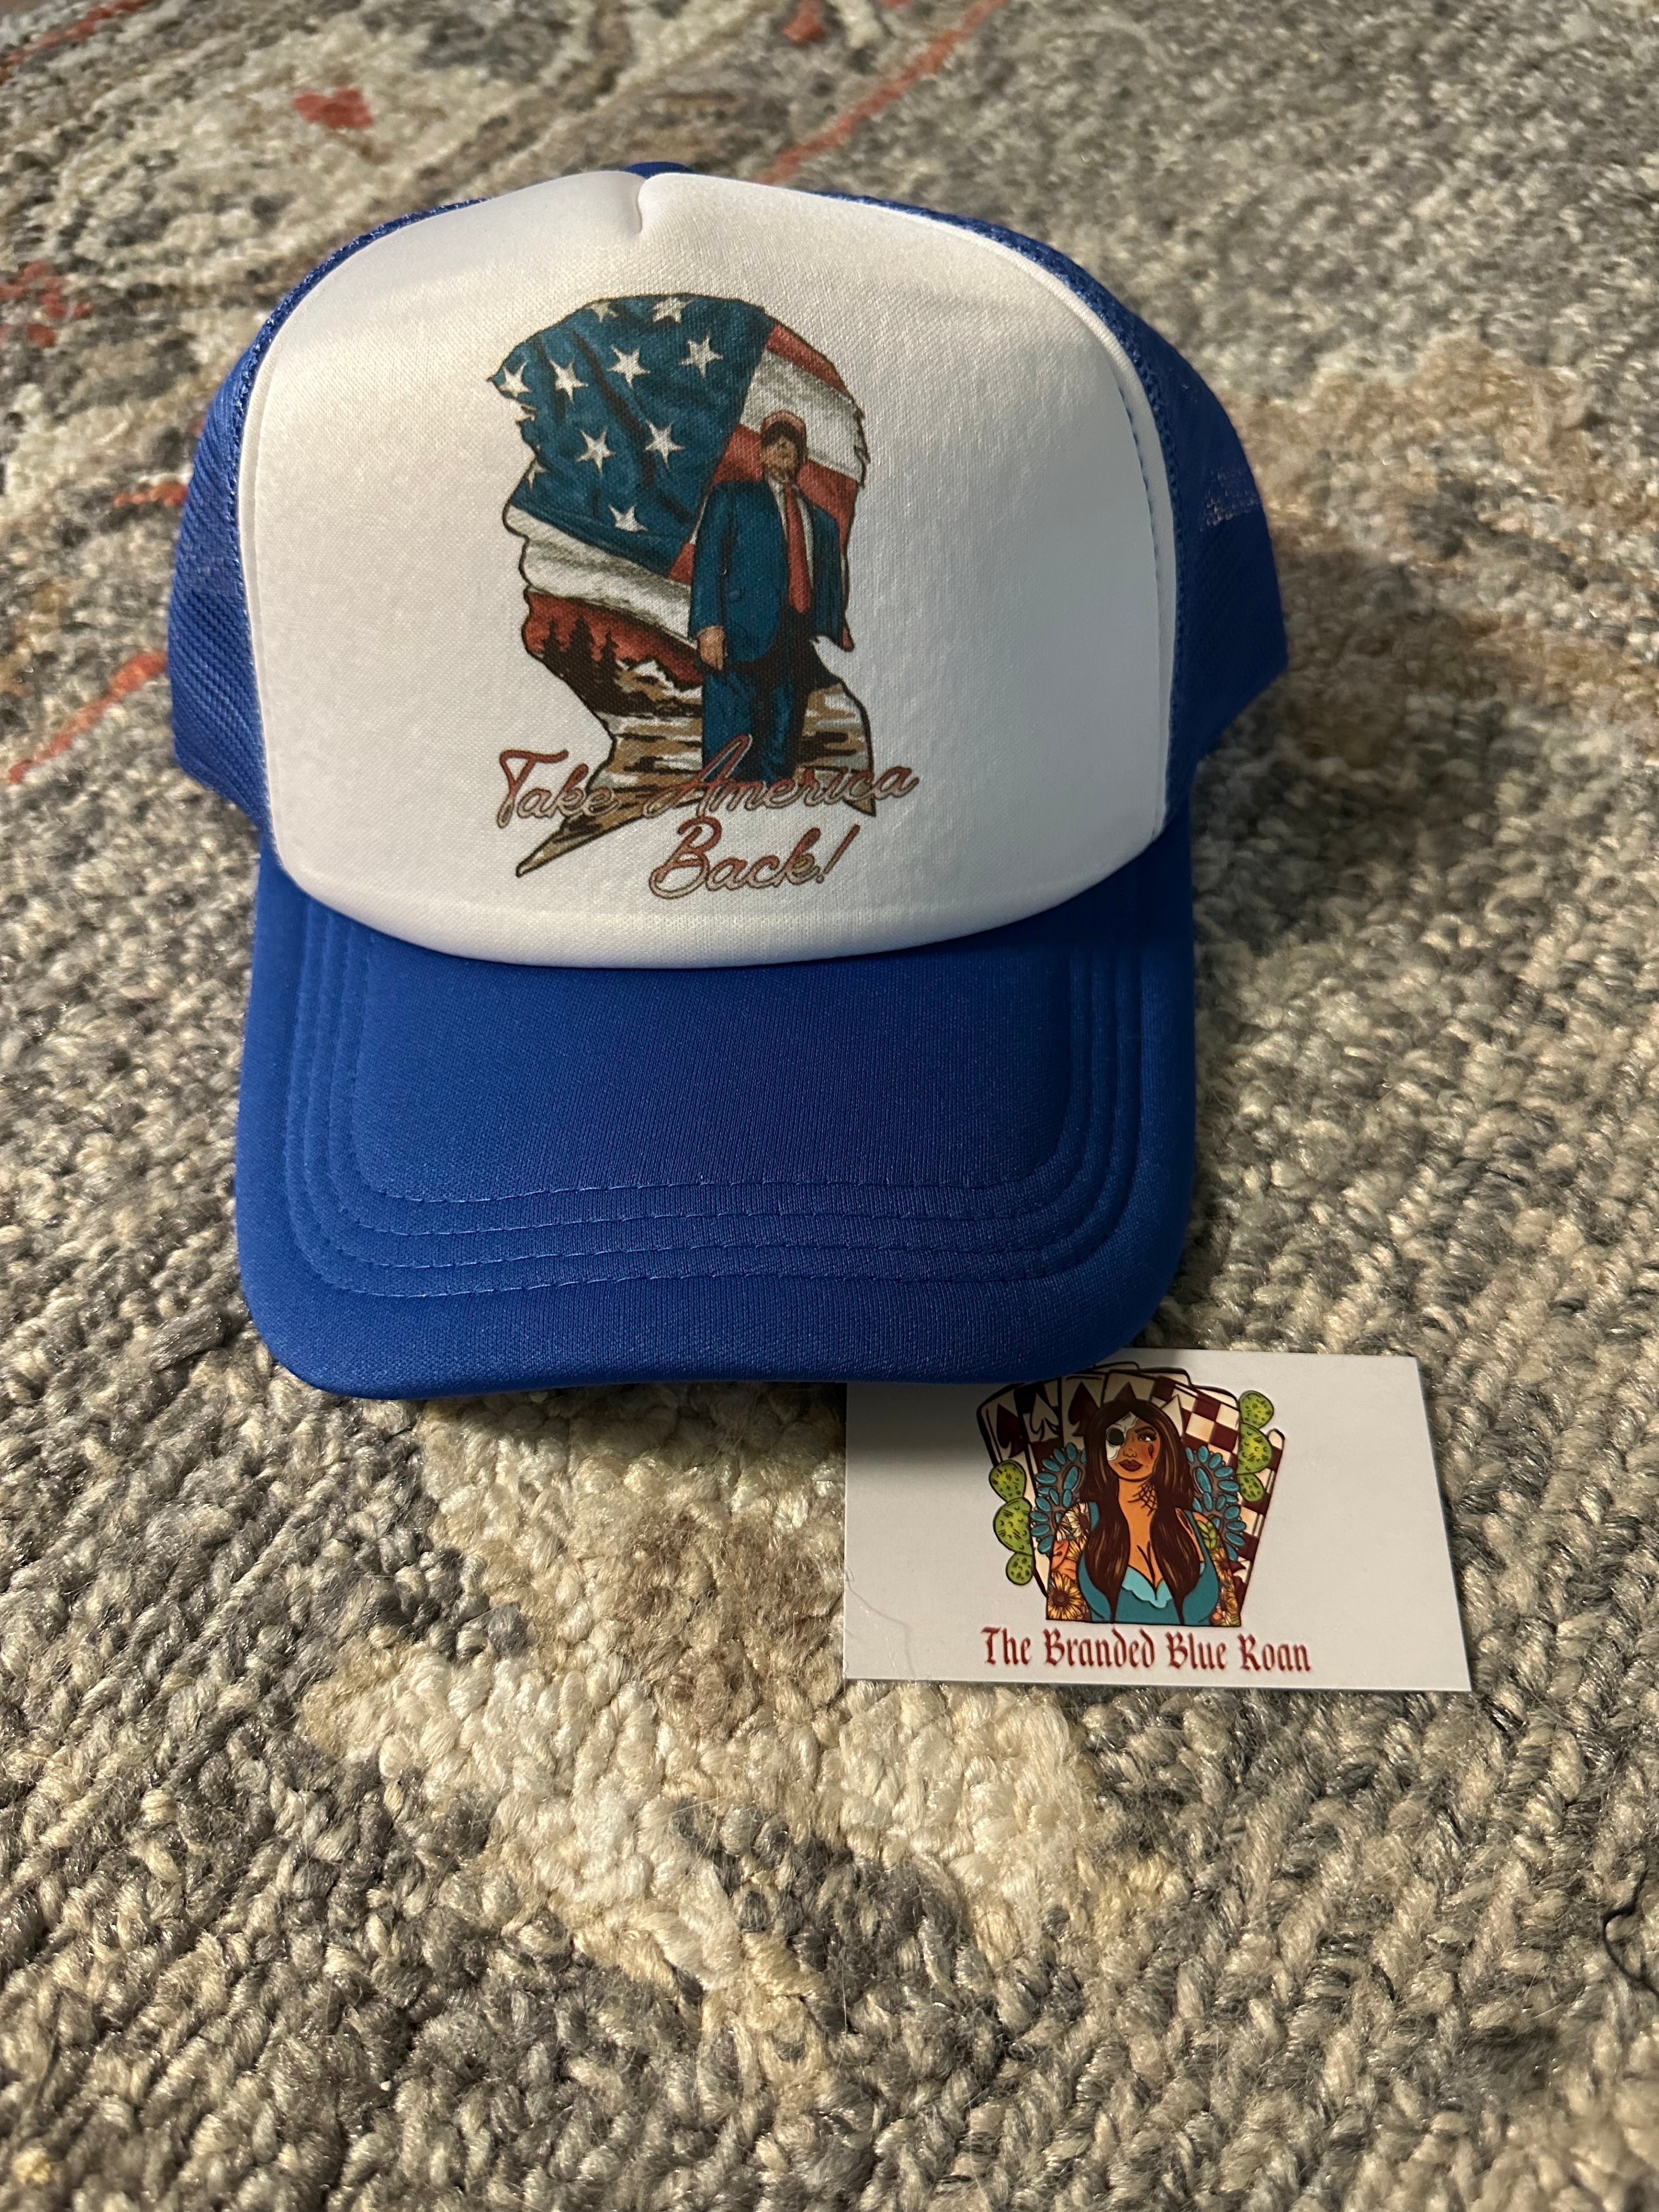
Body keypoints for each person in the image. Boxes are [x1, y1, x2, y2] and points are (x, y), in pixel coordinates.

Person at [689, 411, 849, 783]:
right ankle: (722, 808)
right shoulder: (732, 498)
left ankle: (774, 806)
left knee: (780, 746)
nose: (783, 449)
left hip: (794, 643)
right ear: (761, 453)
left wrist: (830, 627)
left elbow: (825, 579)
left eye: (791, 444)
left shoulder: (821, 521)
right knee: (730, 752)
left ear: (802, 457)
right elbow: (708, 562)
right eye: (775, 442)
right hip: (737, 641)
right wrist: (708, 626)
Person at [1073, 1393, 1221, 1625]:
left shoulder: (1200, 1528)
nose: (1130, 1451)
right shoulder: (1079, 1522)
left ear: (1166, 1445)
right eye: (1116, 1438)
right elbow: (1061, 1623)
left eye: (1145, 1437)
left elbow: (1230, 1622)